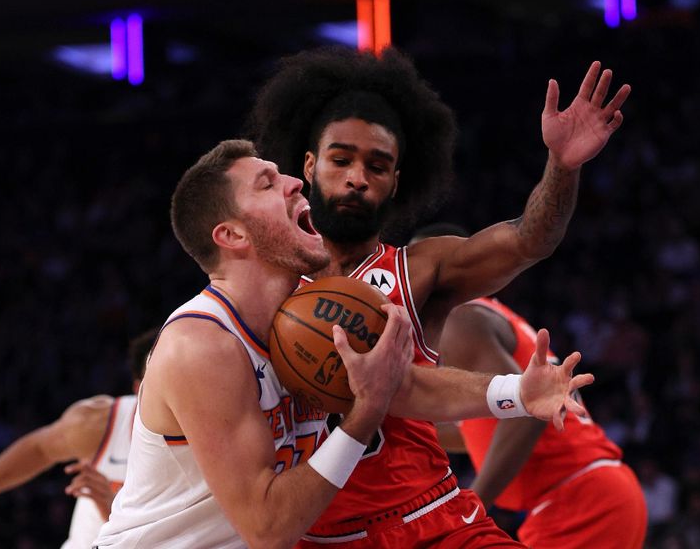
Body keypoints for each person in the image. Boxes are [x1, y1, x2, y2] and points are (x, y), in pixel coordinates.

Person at [93, 140, 591, 549]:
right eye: (268, 183)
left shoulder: (306, 311)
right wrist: (362, 416)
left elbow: (397, 385)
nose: (294, 181)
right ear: (233, 235)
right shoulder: (201, 345)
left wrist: (516, 392)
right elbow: (268, 528)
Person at [248, 46, 630, 547]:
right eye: (341, 160)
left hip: (430, 520)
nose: (357, 177)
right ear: (310, 164)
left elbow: (527, 240)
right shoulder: (265, 282)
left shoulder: (420, 268)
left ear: (396, 182)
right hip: (315, 534)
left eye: (377, 166)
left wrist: (561, 166)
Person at [413, 222, 648, 549]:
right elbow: (482, 430)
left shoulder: (460, 320)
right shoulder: (481, 319)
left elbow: (526, 416)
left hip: (581, 502)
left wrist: (471, 505)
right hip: (590, 495)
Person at [0, 329, 157, 549]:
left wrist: (115, 510)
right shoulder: (102, 422)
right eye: (161, 377)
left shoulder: (194, 444)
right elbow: (37, 449)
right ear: (138, 388)